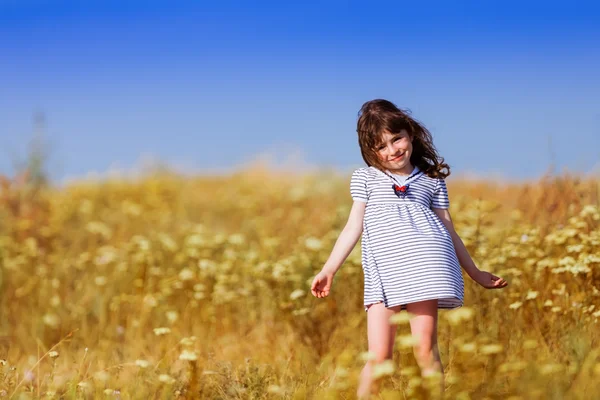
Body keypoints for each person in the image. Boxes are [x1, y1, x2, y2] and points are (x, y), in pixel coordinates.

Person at [310, 99, 508, 398]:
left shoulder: (431, 180)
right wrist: (329, 269)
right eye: (382, 146)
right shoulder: (366, 178)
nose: (393, 150)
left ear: (410, 134)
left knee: (426, 349)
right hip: (384, 274)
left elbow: (448, 229)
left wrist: (475, 272)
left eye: (397, 139)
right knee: (379, 356)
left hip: (428, 266)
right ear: (370, 151)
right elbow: (353, 227)